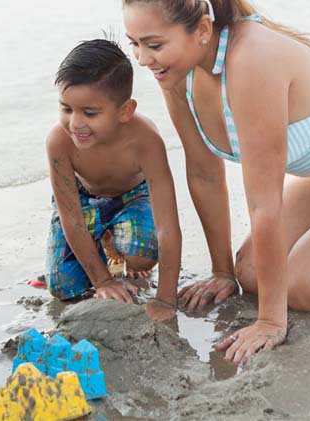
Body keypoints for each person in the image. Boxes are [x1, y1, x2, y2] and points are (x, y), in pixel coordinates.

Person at [122, 0, 310, 364]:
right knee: (250, 273)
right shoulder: (177, 71)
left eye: (154, 45)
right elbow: (205, 174)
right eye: (134, 43)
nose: (143, 59)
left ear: (203, 30)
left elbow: (263, 204)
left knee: (303, 285)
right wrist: (222, 272)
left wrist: (271, 321)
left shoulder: (252, 60)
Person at [45, 39, 182, 321]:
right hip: (84, 199)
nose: (75, 124)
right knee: (64, 287)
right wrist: (103, 281)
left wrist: (166, 299)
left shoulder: (146, 141)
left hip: (133, 195)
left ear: (125, 111)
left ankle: (115, 240)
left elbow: (167, 224)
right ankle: (103, 240)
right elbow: (71, 218)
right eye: (66, 109)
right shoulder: (59, 142)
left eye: (90, 113)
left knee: (142, 254)